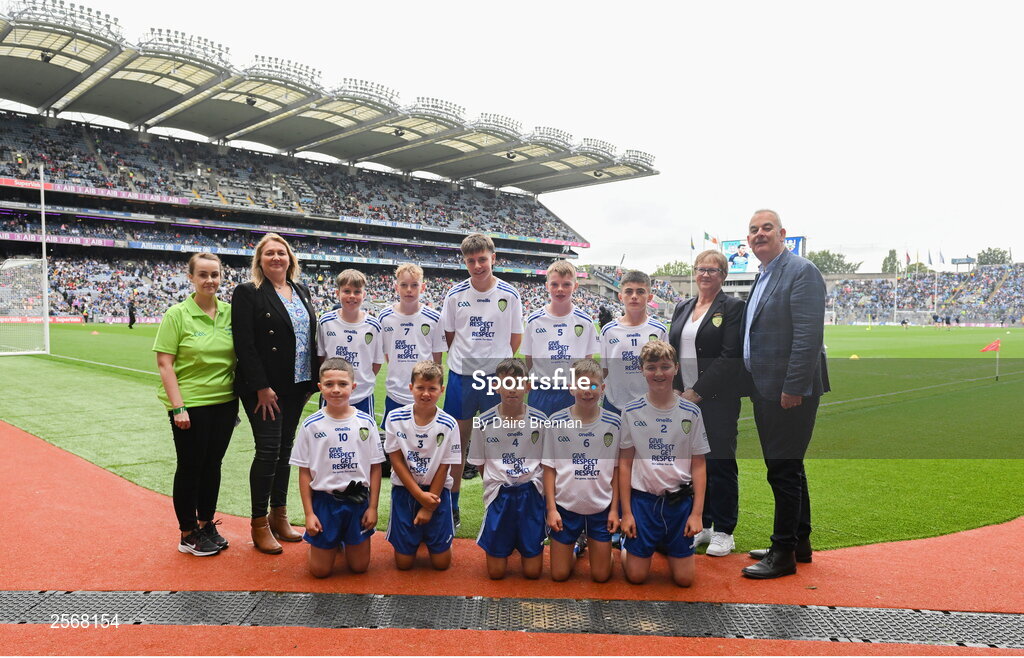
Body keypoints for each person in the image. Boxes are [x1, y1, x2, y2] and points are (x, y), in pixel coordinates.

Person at [741, 209, 829, 579]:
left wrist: (794, 388)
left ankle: (783, 553)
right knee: (789, 466)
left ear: (782, 234)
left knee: (782, 469)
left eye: (766, 228)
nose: (759, 234)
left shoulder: (801, 271)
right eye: (753, 230)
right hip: (766, 386)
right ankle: (798, 541)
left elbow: (808, 337)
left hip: (787, 391)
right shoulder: (764, 274)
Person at [232, 233, 319, 555]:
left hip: (296, 384)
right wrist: (260, 387)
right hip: (265, 389)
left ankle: (279, 515)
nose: (276, 258)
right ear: (260, 260)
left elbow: (308, 339)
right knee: (268, 450)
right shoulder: (248, 293)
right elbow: (244, 344)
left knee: (285, 451)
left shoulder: (301, 291)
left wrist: (310, 383)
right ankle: (259, 524)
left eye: (281, 253)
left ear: (290, 258)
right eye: (269, 253)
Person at [153, 252, 238, 557]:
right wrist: (178, 407)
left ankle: (205, 524)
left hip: (225, 403)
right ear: (190, 277)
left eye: (214, 274)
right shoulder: (177, 314)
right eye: (202, 274)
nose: (209, 280)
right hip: (190, 405)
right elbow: (165, 363)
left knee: (213, 466)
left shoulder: (230, 312)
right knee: (191, 467)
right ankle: (187, 532)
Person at [440, 233, 524, 527]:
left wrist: (494, 366)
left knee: (497, 442)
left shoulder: (509, 295)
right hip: (462, 378)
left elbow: (515, 340)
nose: (477, 265)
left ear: (493, 258)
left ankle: (496, 504)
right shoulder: (454, 295)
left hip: (496, 380)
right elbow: (449, 338)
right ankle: (453, 504)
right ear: (465, 261)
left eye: (482, 259)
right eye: (471, 261)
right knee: (457, 444)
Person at [668, 249, 746, 558]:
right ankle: (704, 524)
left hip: (716, 400)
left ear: (723, 275)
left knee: (720, 463)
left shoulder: (733, 307)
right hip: (684, 399)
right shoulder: (683, 306)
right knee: (694, 464)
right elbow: (672, 350)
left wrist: (697, 392)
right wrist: (676, 390)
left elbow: (730, 356)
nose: (705, 274)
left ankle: (725, 530)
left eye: (712, 270)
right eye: (701, 269)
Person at [618, 340, 708, 586]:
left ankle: (666, 544)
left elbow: (699, 464)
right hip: (643, 502)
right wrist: (626, 513)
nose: (659, 373)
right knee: (636, 577)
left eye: (665, 367)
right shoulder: (631, 411)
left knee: (685, 580)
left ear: (676, 368)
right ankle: (634, 546)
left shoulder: (691, 412)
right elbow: (624, 464)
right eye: (651, 367)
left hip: (679, 504)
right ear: (642, 370)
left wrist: (697, 514)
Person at [290, 358, 384, 578]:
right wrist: (309, 513)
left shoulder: (366, 423)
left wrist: (373, 507)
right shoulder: (311, 425)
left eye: (342, 384)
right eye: (329, 384)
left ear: (353, 386)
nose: (336, 389)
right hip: (325, 503)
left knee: (360, 567)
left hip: (357, 503)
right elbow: (304, 472)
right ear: (320, 387)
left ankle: (340, 542)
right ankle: (324, 546)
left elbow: (376, 468)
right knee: (320, 572)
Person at [467, 358, 548, 580]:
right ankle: (506, 542)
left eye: (518, 383)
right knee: (495, 573)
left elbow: (546, 463)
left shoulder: (541, 421)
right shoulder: (482, 422)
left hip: (530, 494)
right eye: (507, 383)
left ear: (527, 386)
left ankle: (520, 540)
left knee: (533, 573)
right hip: (500, 495)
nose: (512, 389)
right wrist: (496, 485)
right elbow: (480, 464)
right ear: (496, 385)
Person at [542, 358, 621, 582]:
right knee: (558, 575)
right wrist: (551, 510)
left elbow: (616, 471)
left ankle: (602, 555)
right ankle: (577, 546)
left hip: (600, 508)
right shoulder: (556, 422)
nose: (588, 391)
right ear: (571, 387)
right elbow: (549, 468)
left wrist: (615, 510)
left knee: (601, 575)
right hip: (566, 508)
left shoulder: (613, 423)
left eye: (594, 386)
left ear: (602, 388)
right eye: (582, 385)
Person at [384, 360, 462, 571]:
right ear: (411, 388)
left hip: (437, 493)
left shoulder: (448, 423)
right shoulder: (395, 417)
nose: (426, 393)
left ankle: (430, 537)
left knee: (441, 564)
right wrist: (419, 496)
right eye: (420, 388)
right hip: (405, 491)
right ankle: (414, 538)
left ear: (441, 390)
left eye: (432, 389)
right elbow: (396, 460)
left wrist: (428, 505)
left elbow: (445, 465)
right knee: (404, 565)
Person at [522, 260, 600, 416]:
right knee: (539, 437)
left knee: (571, 437)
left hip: (572, 392)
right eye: (554, 284)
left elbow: (587, 361)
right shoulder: (534, 320)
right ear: (547, 286)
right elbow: (529, 360)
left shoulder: (585, 321)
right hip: (541, 391)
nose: (560, 290)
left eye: (566, 285)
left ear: (575, 286)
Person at [378, 263, 446, 429]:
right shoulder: (385, 317)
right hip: (395, 392)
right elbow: (388, 354)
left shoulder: (434, 318)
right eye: (404, 285)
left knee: (424, 439)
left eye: (414, 285)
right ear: (396, 287)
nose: (409, 289)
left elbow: (437, 360)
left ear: (422, 287)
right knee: (394, 445)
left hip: (424, 393)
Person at [316, 269, 384, 416]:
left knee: (362, 438)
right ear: (337, 293)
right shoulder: (325, 322)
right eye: (346, 291)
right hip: (331, 395)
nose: (352, 296)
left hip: (362, 396)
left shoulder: (374, 325)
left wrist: (363, 380)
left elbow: (376, 363)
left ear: (364, 295)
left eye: (357, 292)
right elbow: (321, 358)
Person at [600, 271, 668, 416]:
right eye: (629, 291)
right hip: (614, 405)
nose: (634, 296)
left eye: (640, 292)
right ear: (620, 296)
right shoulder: (608, 331)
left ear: (649, 297)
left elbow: (666, 372)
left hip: (650, 405)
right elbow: (603, 371)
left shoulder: (659, 330)